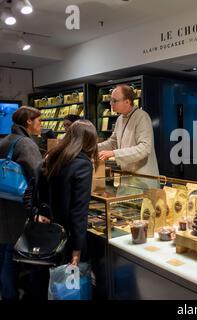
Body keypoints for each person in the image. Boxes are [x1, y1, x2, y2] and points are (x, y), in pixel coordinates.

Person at [30, 120, 98, 299]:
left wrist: (36, 214)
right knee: (68, 289)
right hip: (66, 239)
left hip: (45, 235)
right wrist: (77, 250)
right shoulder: (83, 164)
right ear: (90, 141)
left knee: (47, 283)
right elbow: (78, 211)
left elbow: (31, 193)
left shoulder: (51, 157)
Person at [0, 106, 43, 300]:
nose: (41, 124)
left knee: (3, 254)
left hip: (4, 207)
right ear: (29, 122)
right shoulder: (26, 144)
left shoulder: (5, 141)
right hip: (18, 210)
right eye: (39, 120)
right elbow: (37, 177)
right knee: (12, 257)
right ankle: (11, 295)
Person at [97, 84, 159, 188]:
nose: (111, 103)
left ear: (127, 101)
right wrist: (93, 147)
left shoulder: (142, 117)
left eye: (114, 100)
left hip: (143, 178)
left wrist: (114, 153)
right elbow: (113, 142)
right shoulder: (120, 119)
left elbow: (144, 149)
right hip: (127, 177)